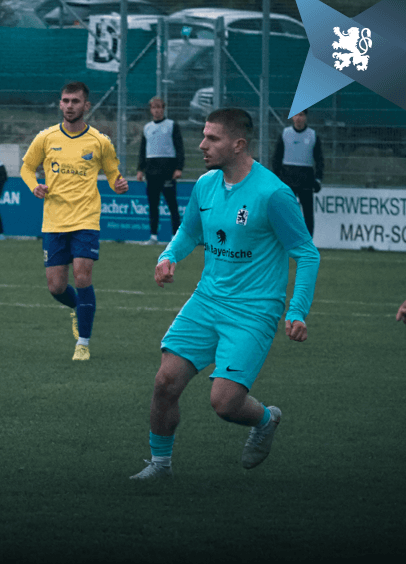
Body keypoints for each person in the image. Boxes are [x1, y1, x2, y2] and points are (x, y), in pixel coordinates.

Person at [130, 108, 320, 481]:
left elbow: (306, 253)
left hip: (254, 310)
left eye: (212, 138)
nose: (202, 144)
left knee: (224, 403)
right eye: (203, 136)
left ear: (238, 144)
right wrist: (169, 256)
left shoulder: (273, 194)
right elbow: (189, 232)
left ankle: (266, 419)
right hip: (206, 300)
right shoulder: (205, 185)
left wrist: (297, 310)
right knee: (165, 382)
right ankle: (160, 465)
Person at [19, 81, 128, 362]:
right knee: (56, 287)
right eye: (65, 100)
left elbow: (113, 174)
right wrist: (34, 185)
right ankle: (79, 309)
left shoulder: (100, 142)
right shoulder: (46, 138)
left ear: (86, 106)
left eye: (75, 101)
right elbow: (27, 167)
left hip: (86, 218)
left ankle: (83, 343)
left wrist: (119, 184)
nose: (69, 106)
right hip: (54, 221)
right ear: (60, 104)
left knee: (82, 276)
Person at [136, 97, 184, 244]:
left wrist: (179, 167)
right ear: (150, 110)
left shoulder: (171, 125)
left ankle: (176, 237)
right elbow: (143, 150)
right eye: (154, 108)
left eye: (159, 108)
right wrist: (140, 169)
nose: (157, 110)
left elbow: (179, 147)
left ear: (163, 109)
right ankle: (153, 236)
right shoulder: (147, 127)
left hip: (168, 169)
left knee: (172, 205)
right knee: (153, 204)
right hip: (151, 171)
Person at [271, 109, 324, 236]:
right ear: (292, 117)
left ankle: (307, 244)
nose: (298, 118)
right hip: (287, 177)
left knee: (308, 214)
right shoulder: (285, 134)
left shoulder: (312, 135)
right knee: (285, 211)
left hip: (306, 178)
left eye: (301, 115)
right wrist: (276, 177)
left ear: (305, 117)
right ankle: (283, 240)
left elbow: (319, 159)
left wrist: (318, 179)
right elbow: (276, 157)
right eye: (296, 115)